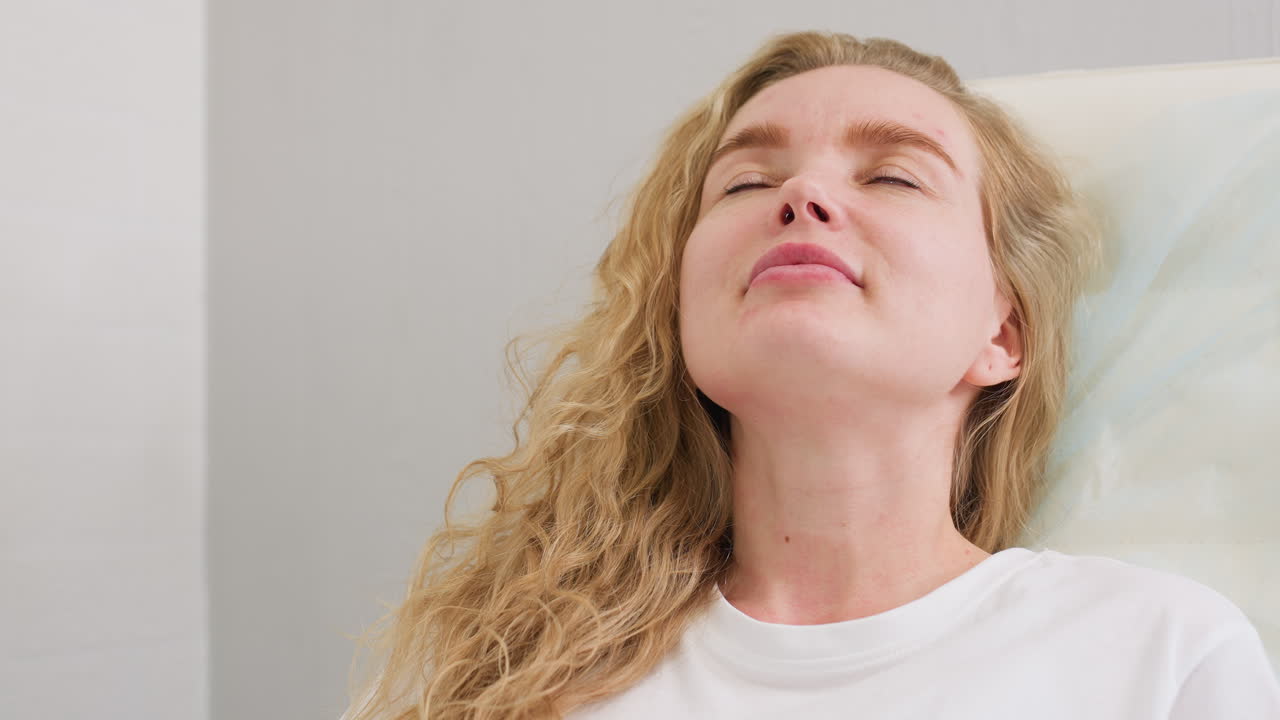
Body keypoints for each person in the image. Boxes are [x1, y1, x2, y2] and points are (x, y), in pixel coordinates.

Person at [342, 30, 1280, 720]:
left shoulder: (1159, 658)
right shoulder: (518, 682)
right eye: (745, 183)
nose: (803, 194)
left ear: (1003, 333)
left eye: (894, 176)